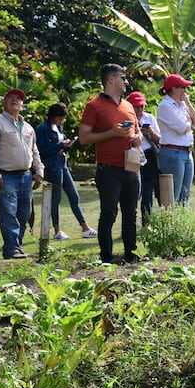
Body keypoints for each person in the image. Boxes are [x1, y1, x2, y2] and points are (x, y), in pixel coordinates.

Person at [78, 63, 142, 264]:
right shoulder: (94, 106)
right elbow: (83, 138)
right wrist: (111, 133)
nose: (126, 81)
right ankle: (106, 256)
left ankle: (131, 253)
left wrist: (137, 137)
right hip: (108, 169)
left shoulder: (128, 106)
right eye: (123, 78)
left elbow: (137, 131)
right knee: (109, 212)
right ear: (111, 80)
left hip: (131, 167)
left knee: (131, 212)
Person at [0, 89, 44, 259]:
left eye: (19, 99)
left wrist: (38, 172)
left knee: (23, 214)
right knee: (8, 213)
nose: (15, 100)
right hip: (6, 176)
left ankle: (17, 246)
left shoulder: (28, 127)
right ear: (4, 103)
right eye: (11, 98)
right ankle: (11, 249)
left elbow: (34, 151)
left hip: (26, 176)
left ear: (22, 105)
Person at [35, 102, 97, 240]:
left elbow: (60, 145)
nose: (61, 121)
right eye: (60, 118)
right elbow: (41, 151)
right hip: (51, 166)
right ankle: (57, 230)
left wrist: (67, 145)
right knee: (56, 198)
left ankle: (85, 227)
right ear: (53, 116)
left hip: (62, 164)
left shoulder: (59, 127)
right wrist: (59, 146)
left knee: (74, 196)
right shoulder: (42, 129)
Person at [156, 74, 195, 205]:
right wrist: (188, 119)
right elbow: (182, 128)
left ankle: (182, 222)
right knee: (173, 194)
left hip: (186, 152)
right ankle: (170, 222)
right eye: (182, 87)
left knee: (185, 194)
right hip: (172, 152)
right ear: (174, 89)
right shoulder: (165, 105)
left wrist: (188, 104)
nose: (185, 91)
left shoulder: (182, 105)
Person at [128, 91, 162, 224]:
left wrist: (151, 132)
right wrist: (137, 133)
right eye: (137, 106)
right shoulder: (126, 118)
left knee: (149, 190)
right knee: (133, 192)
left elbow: (160, 139)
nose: (140, 110)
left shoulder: (149, 118)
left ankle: (147, 223)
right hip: (132, 155)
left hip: (148, 155)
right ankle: (130, 223)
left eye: (142, 106)